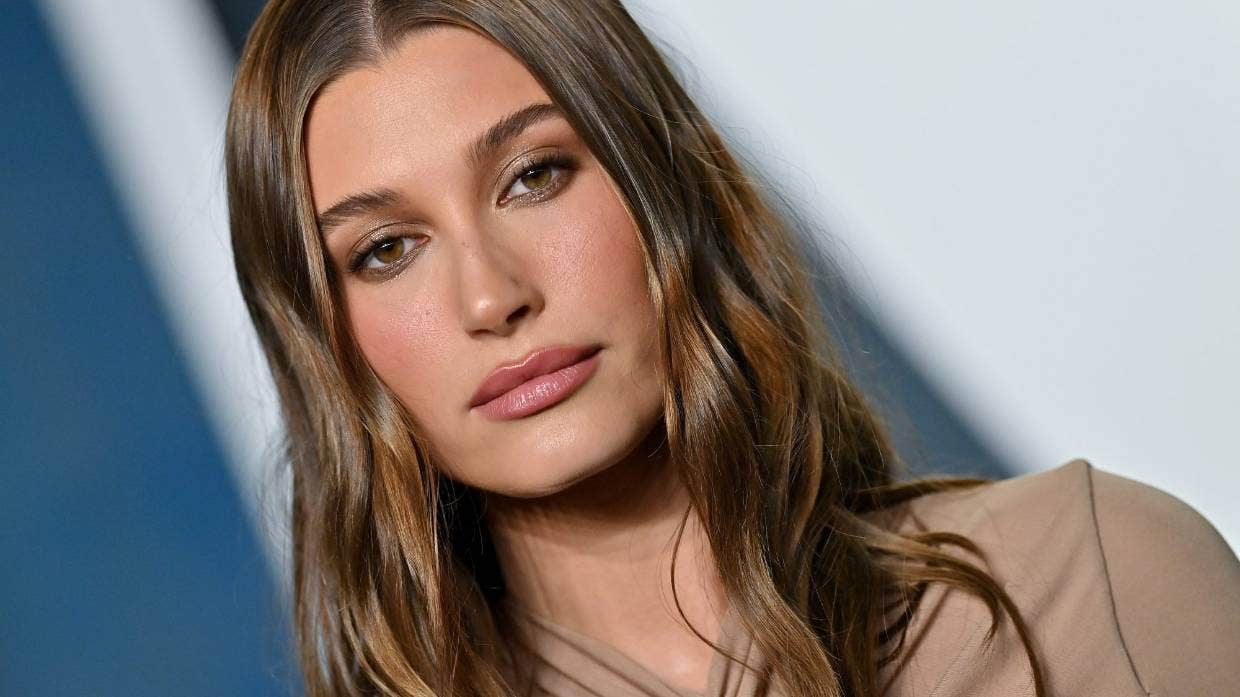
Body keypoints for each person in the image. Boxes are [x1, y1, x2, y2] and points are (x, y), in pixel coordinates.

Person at [224, 2, 1240, 696]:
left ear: (664, 185)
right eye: (385, 250)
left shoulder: (1094, 580)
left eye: (534, 176)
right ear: (324, 340)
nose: (492, 295)